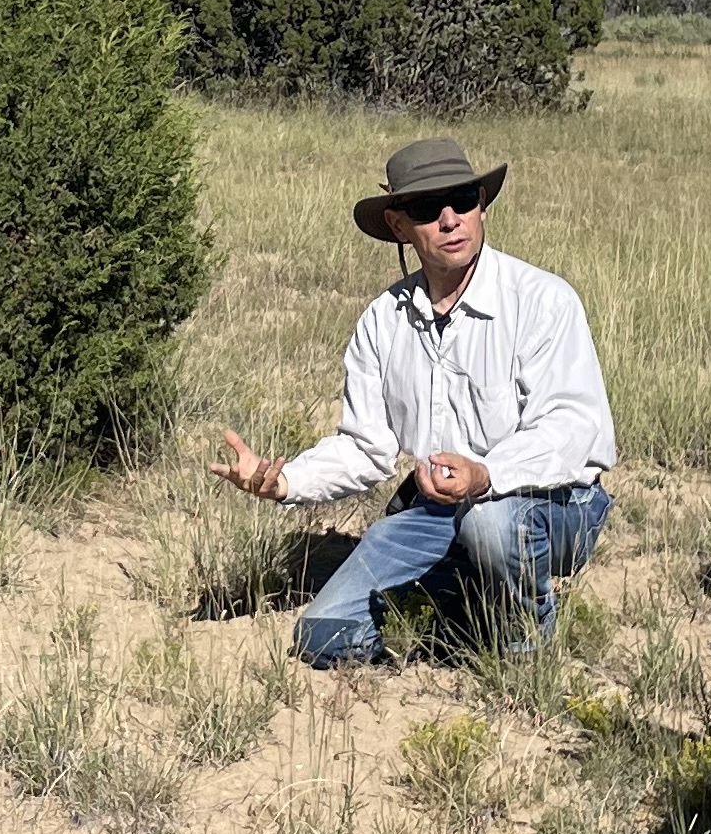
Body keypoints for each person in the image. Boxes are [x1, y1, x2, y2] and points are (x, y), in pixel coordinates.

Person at [212, 134, 614, 667]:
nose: (450, 219)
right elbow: (365, 448)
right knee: (323, 635)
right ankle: (457, 608)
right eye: (428, 208)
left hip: (557, 504)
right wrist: (284, 481)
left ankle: (524, 639)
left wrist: (485, 475)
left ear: (482, 206)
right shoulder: (383, 321)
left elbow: (571, 428)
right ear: (399, 225)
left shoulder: (542, 300)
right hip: (438, 510)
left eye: (463, 200)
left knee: (489, 526)